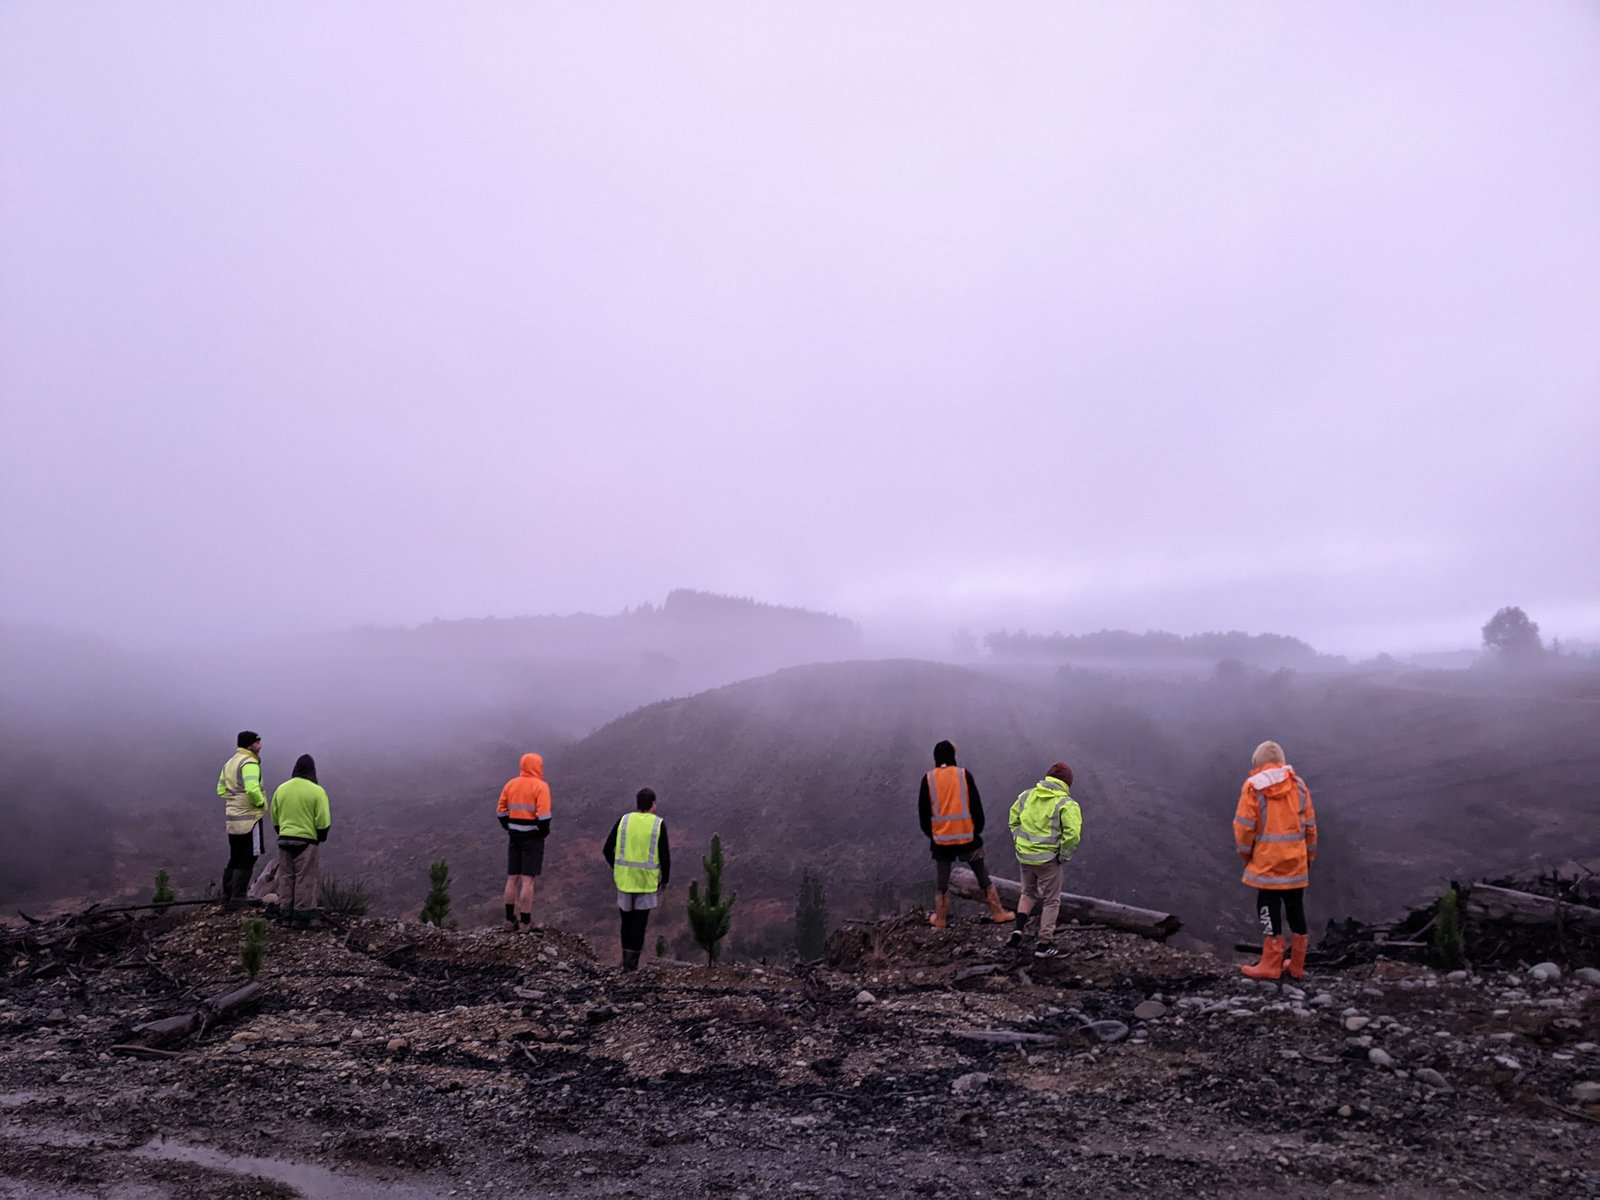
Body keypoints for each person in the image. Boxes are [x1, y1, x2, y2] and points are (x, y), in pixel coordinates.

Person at [1234, 740, 1317, 980]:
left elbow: (1244, 828)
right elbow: (1310, 827)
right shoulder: (1299, 786)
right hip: (1295, 862)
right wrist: (1308, 857)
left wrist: (1247, 856)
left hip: (1267, 862)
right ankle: (1297, 964)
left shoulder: (1253, 787)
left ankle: (1271, 964)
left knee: (1268, 906)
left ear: (1257, 762)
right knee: (1295, 908)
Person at [918, 740, 1014, 929]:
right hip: (968, 837)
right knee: (982, 876)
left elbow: (923, 814)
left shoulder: (928, 779)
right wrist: (976, 830)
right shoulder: (963, 775)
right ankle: (998, 913)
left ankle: (941, 919)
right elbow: (976, 806)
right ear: (952, 756)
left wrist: (934, 835)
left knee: (942, 882)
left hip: (941, 841)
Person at [1006, 762, 1083, 959]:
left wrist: (1019, 841)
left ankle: (1018, 930)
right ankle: (1044, 944)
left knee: (1027, 893)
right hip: (1048, 861)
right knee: (1051, 900)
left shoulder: (1026, 796)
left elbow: (1013, 820)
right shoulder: (1067, 804)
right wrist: (1064, 855)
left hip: (1025, 857)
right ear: (1067, 783)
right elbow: (1072, 835)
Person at [602, 787, 671, 971]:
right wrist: (665, 879)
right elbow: (665, 856)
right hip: (646, 883)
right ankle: (633, 966)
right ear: (653, 804)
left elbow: (607, 849)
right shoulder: (658, 824)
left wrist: (618, 867)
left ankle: (625, 963)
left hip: (625, 881)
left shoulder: (624, 821)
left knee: (626, 922)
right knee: (639, 925)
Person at [271, 754, 331, 929]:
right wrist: (320, 837)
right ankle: (302, 916)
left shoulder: (281, 789)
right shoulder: (317, 791)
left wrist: (282, 831)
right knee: (305, 878)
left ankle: (285, 914)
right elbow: (323, 820)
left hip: (284, 839)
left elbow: (275, 816)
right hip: (306, 841)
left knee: (286, 877)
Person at [496, 753, 552, 931]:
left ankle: (509, 919)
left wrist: (508, 826)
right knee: (528, 880)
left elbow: (500, 811)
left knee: (512, 877)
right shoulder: (541, 786)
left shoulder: (511, 784)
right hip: (532, 838)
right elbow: (544, 816)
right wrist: (543, 833)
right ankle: (525, 922)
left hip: (514, 836)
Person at [217, 731, 268, 910]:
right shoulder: (249, 762)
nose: (260, 746)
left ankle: (228, 895)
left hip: (233, 819)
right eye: (257, 742)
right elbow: (252, 789)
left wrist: (235, 802)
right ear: (250, 745)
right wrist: (260, 803)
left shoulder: (230, 763)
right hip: (249, 819)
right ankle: (239, 896)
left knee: (235, 856)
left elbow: (220, 790)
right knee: (249, 857)